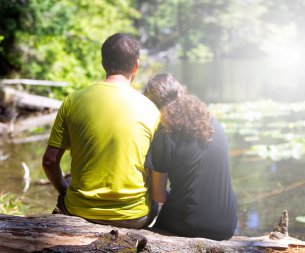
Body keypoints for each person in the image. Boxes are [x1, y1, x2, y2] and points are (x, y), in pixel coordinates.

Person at [42, 33, 160, 228]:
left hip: (80, 211)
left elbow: (49, 161)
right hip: (133, 217)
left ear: (103, 62)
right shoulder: (151, 110)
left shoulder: (73, 100)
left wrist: (63, 189)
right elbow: (157, 170)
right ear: (136, 66)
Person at [143, 73, 237, 240]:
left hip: (190, 224)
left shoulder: (165, 134)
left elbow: (159, 196)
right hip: (227, 225)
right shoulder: (213, 122)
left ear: (153, 106)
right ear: (181, 93)